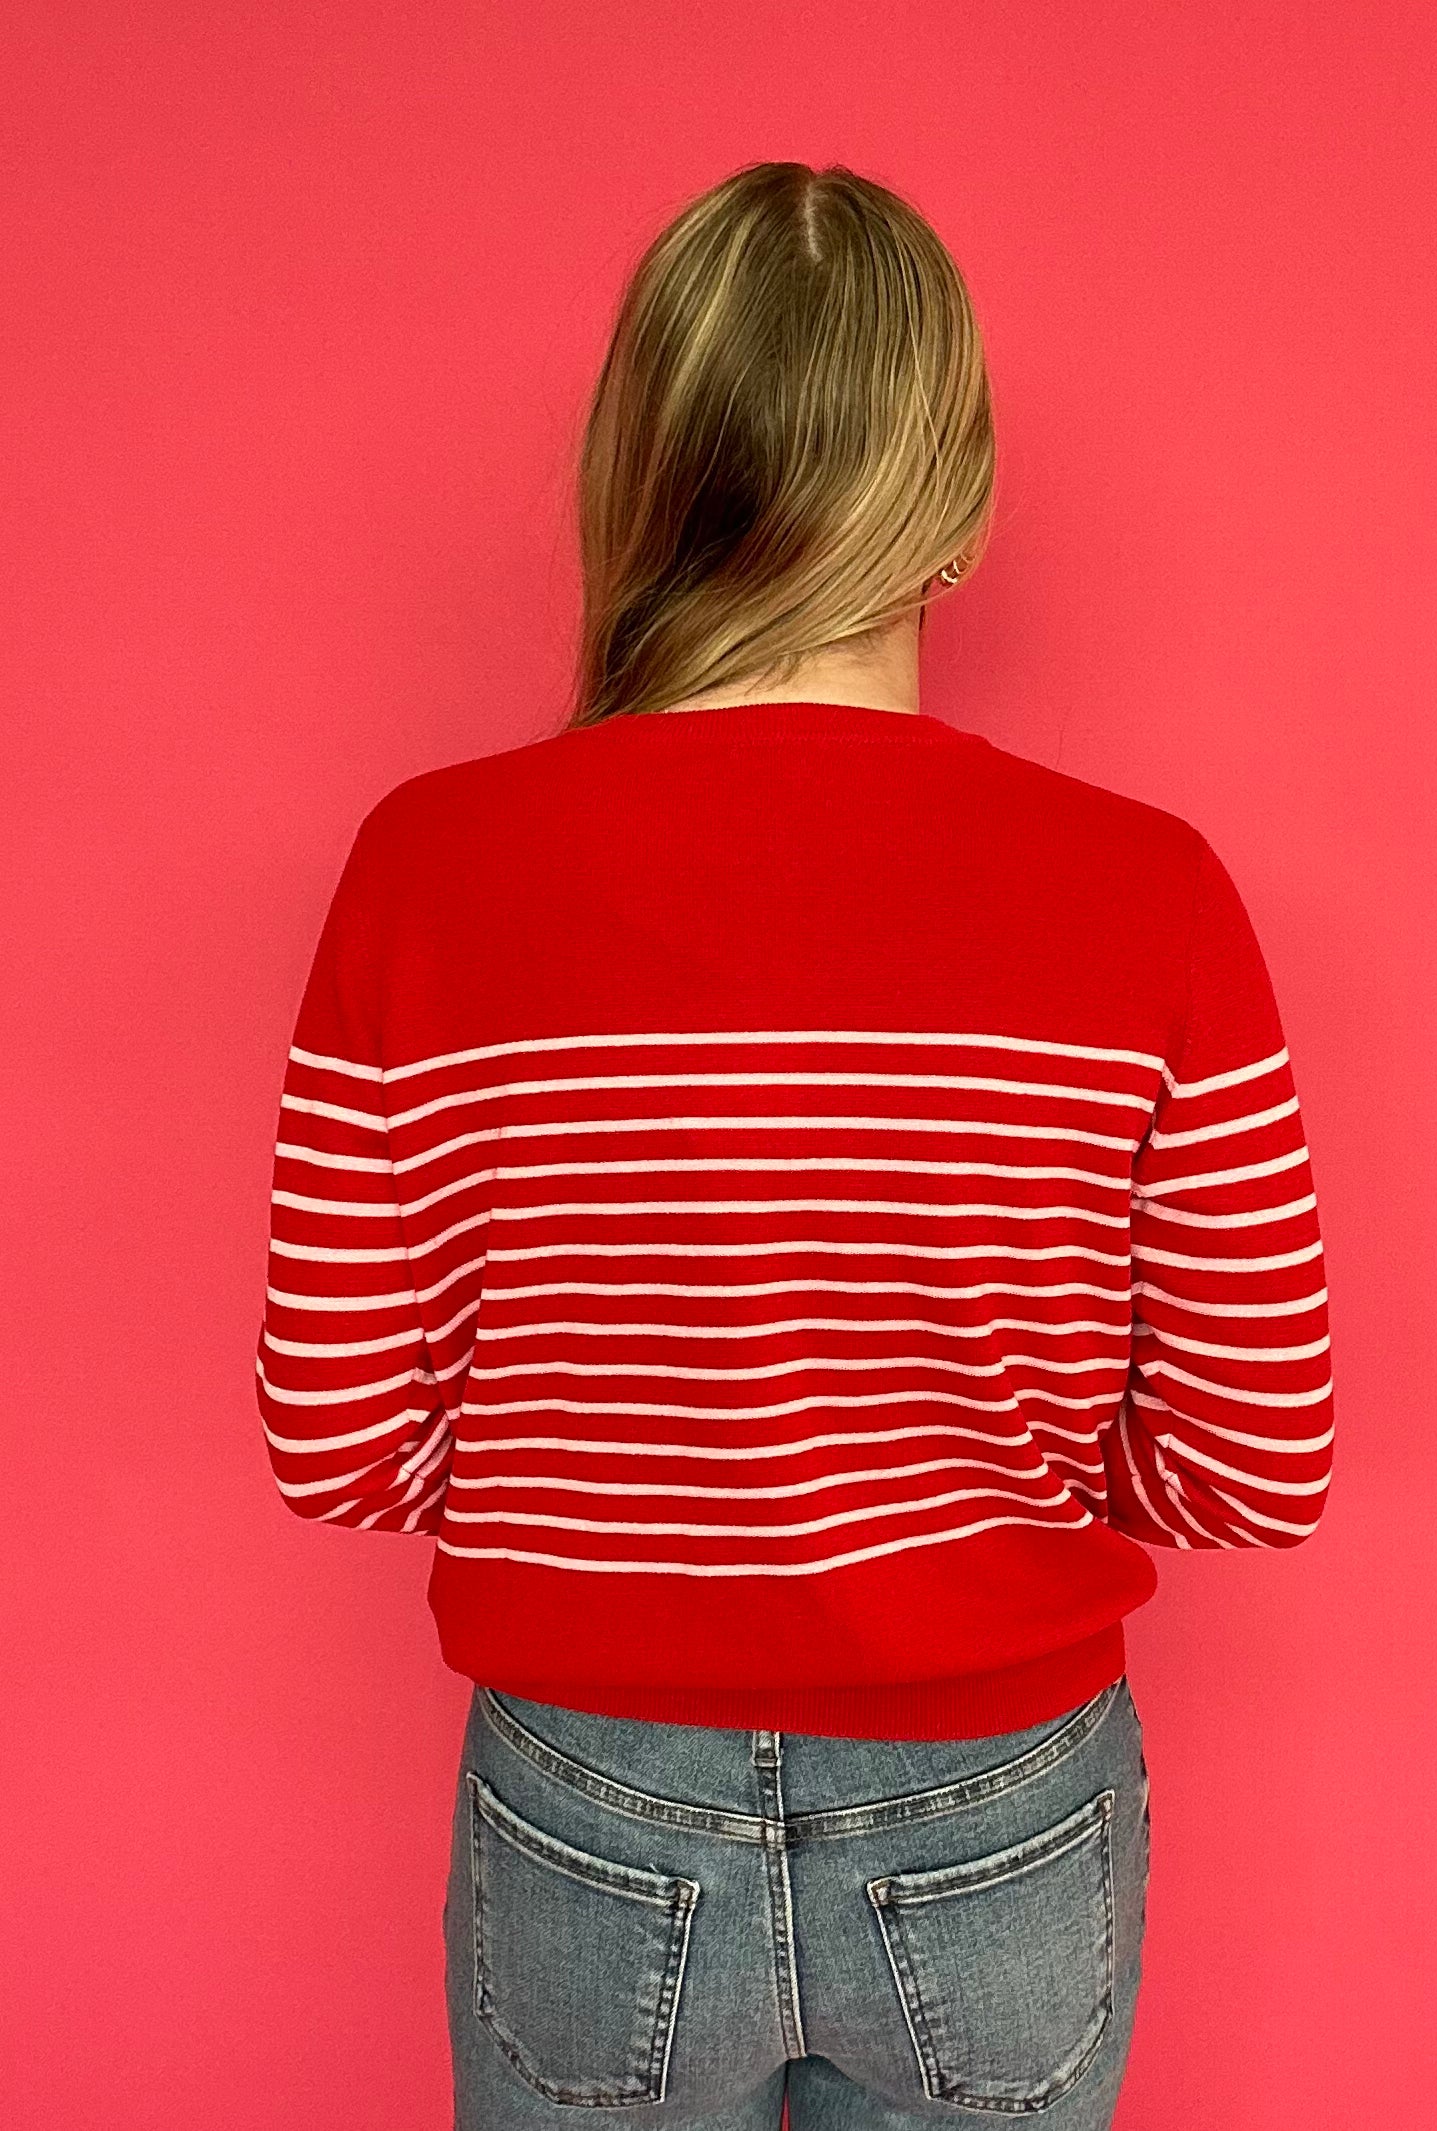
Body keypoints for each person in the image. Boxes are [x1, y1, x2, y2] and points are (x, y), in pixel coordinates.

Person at [255, 160, 1334, 2129]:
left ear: (638, 470)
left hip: (588, 1795)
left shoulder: (428, 867)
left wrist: (615, 1472)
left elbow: (336, 1440)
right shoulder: (1148, 892)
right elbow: (1256, 1464)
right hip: (997, 1799)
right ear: (964, 495)